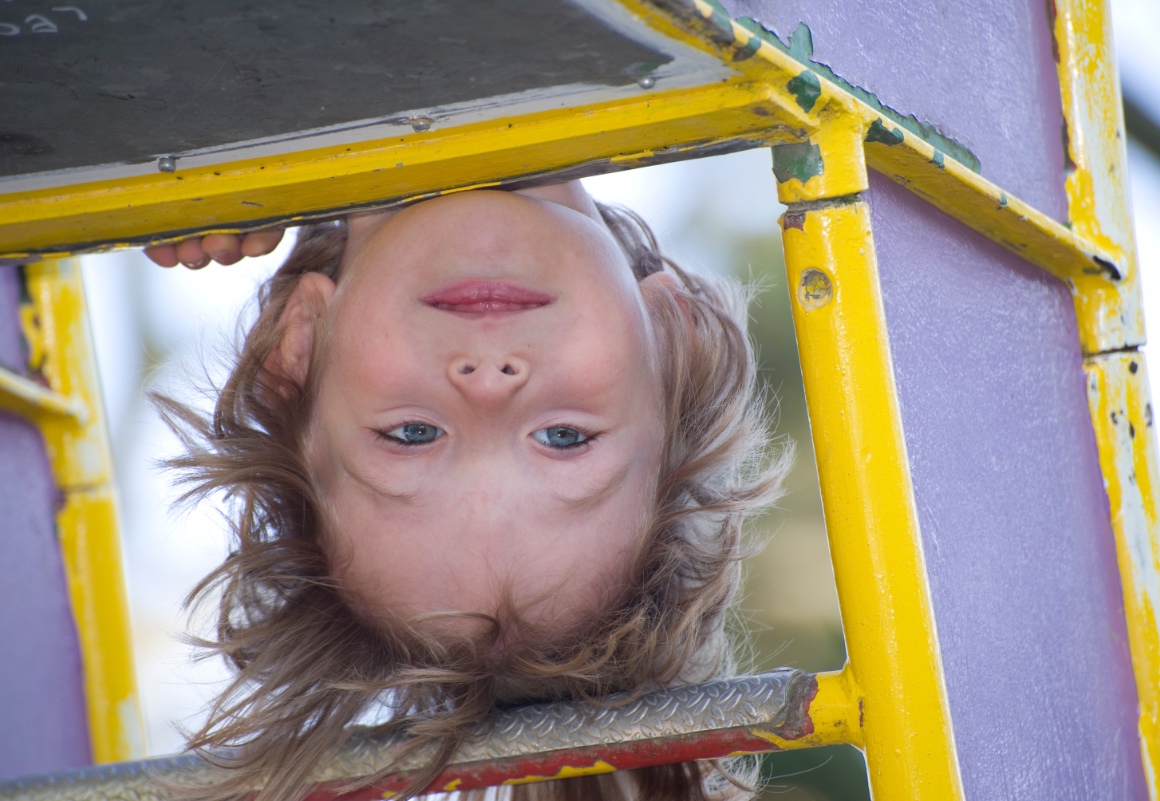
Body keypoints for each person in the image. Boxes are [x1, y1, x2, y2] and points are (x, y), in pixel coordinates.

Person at [148, 181, 790, 801]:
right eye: (564, 437)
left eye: (414, 433)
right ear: (674, 342)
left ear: (298, 351)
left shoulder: (227, 143)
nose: (488, 383)